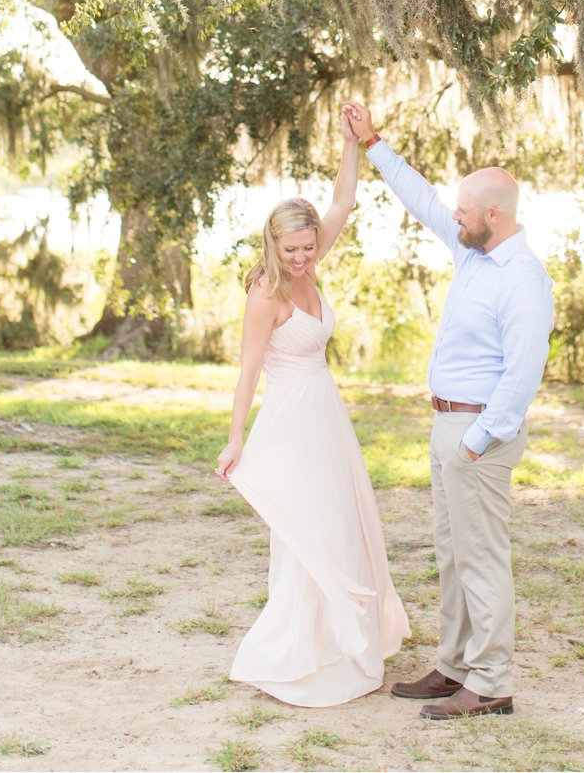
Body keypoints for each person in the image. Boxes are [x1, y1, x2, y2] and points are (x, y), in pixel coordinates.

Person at [341, 100, 554, 721]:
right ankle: (455, 665)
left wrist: (478, 438)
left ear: (494, 214)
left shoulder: (523, 276)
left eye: (465, 210)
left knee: (481, 557)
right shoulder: (472, 251)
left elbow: (523, 371)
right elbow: (424, 200)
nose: (453, 216)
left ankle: (490, 682)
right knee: (452, 553)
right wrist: (374, 142)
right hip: (448, 424)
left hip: (478, 434)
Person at [216, 117, 409, 706]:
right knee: (312, 531)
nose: (302, 259)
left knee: (343, 522)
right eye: (292, 250)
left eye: (308, 248)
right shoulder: (265, 294)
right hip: (291, 421)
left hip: (327, 414)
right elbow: (248, 371)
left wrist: (352, 142)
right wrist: (234, 441)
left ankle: (345, 639)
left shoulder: (312, 259)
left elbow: (344, 200)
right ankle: (300, 648)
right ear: (272, 244)